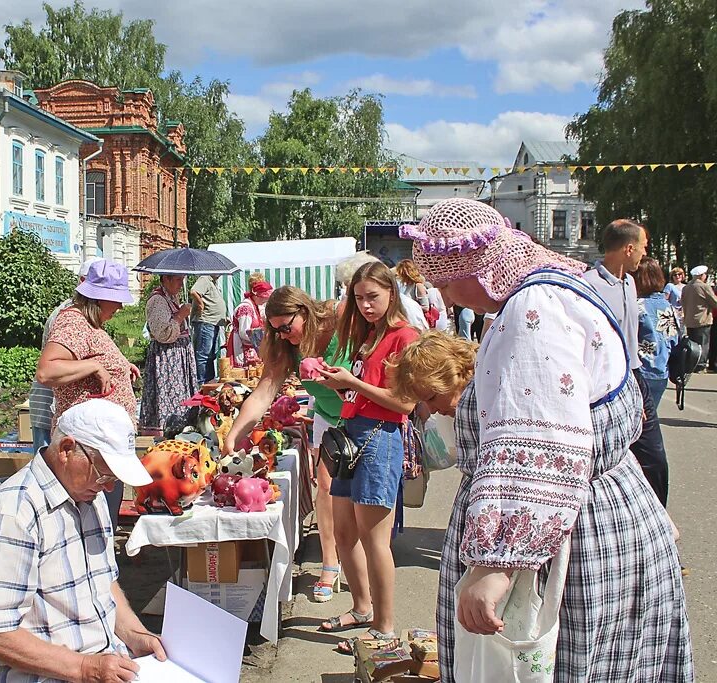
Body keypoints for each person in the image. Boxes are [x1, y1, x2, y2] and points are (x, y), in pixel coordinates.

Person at [396, 199, 691, 681]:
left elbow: (545, 439)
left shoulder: (535, 310)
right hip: (590, 516)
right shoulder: (554, 295)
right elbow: (591, 426)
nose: (446, 298)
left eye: (447, 282)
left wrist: (497, 563)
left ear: (480, 266)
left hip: (564, 540)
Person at [0, 399, 166, 683]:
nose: (108, 487)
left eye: (115, 479)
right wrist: (85, 669)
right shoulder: (13, 515)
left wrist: (134, 634)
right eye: (104, 473)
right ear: (67, 450)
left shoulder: (89, 497)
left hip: (101, 665)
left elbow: (101, 583)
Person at [221, 282, 367, 618]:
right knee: (327, 488)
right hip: (331, 419)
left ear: (305, 311)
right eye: (276, 330)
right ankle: (330, 563)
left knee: (362, 499)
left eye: (287, 327)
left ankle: (366, 573)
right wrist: (233, 436)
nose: (284, 336)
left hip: (366, 416)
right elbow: (262, 394)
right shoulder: (285, 346)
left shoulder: (340, 316)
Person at [312, 260, 418, 654]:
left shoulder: (404, 337)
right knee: (343, 533)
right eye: (359, 299)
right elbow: (361, 393)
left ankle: (385, 628)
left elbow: (404, 404)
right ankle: (361, 608)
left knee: (376, 540)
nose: (366, 305)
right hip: (352, 435)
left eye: (373, 297)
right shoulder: (368, 336)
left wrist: (352, 382)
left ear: (392, 293)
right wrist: (338, 385)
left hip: (379, 439)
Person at [36, 259, 139, 526]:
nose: (120, 306)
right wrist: (94, 365)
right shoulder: (74, 322)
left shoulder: (89, 325)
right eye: (115, 299)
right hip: (89, 448)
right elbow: (47, 371)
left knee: (98, 520)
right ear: (98, 298)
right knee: (84, 522)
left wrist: (120, 367)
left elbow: (89, 358)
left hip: (101, 446)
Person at [583, 219, 670, 506]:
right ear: (629, 248)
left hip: (636, 377)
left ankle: (656, 518)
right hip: (605, 385)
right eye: (643, 247)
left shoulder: (630, 282)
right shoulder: (588, 285)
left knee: (654, 458)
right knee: (609, 459)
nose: (645, 254)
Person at [28, 258, 105, 449]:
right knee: (46, 463)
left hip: (59, 404)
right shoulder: (69, 316)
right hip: (50, 402)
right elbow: (51, 369)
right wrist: (95, 366)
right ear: (82, 282)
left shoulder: (86, 313)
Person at [140, 273, 197, 434]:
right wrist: (180, 315)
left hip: (177, 356)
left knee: (180, 396)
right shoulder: (157, 301)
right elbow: (162, 333)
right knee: (169, 394)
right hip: (167, 358)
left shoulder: (171, 297)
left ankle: (181, 427)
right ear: (166, 279)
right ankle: (167, 430)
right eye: (178, 279)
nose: (181, 284)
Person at [633, 258, 680, 406]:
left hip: (640, 371)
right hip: (661, 372)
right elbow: (674, 340)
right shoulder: (668, 307)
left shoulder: (637, 306)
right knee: (651, 418)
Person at [226, 272, 273, 368]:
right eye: (264, 298)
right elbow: (244, 333)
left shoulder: (256, 306)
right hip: (242, 350)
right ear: (257, 295)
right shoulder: (245, 308)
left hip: (252, 349)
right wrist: (263, 338)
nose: (265, 301)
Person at [189, 274, 227, 384]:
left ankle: (209, 380)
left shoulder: (213, 282)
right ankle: (202, 382)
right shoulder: (204, 279)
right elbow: (194, 291)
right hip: (206, 322)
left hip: (213, 322)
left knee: (211, 354)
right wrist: (200, 304)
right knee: (203, 354)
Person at [681, 265, 717, 372]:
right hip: (702, 319)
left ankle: (691, 364)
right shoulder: (704, 287)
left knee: (692, 344)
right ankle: (700, 365)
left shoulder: (686, 287)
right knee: (703, 344)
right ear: (702, 275)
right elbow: (714, 302)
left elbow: (683, 302)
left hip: (690, 320)